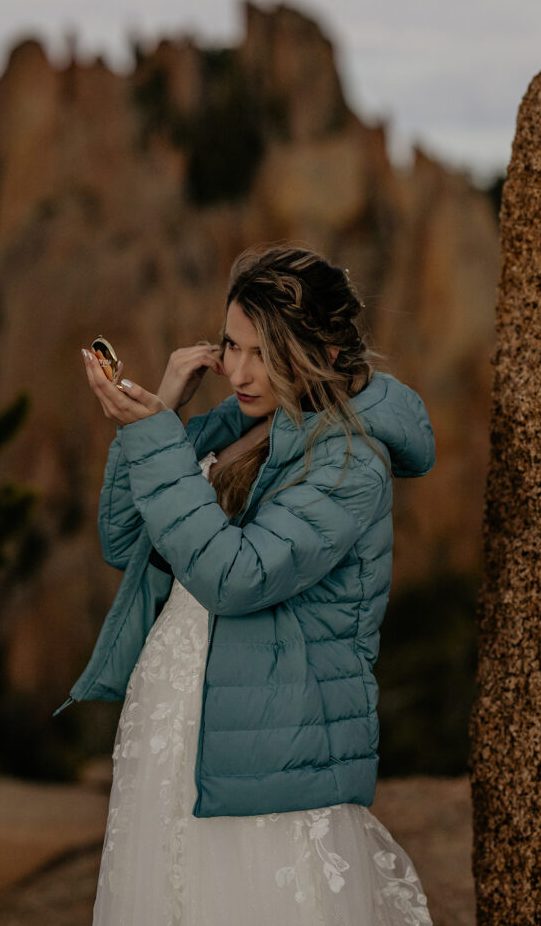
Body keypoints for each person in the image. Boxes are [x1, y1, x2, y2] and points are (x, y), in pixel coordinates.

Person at [65, 245, 435, 925]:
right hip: (177, 718)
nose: (236, 370)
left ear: (317, 350)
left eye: (261, 353)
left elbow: (237, 579)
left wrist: (153, 442)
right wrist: (165, 413)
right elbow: (124, 541)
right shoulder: (239, 427)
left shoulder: (351, 459)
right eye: (230, 346)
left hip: (266, 743)